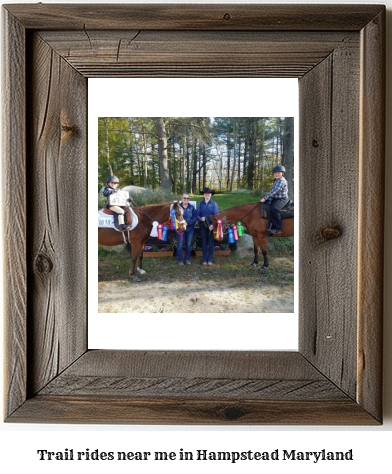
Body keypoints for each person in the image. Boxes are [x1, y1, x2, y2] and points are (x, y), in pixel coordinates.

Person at [260, 165, 289, 234]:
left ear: (282, 173)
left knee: (274, 209)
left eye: (279, 173)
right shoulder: (276, 180)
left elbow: (275, 191)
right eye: (275, 173)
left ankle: (278, 228)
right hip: (276, 198)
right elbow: (272, 191)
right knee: (268, 208)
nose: (277, 174)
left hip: (282, 199)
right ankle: (270, 226)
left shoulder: (282, 181)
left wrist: (265, 198)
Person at [197, 187, 219, 265]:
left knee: (211, 242)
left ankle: (210, 259)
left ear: (211, 195)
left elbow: (216, 216)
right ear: (204, 195)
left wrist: (213, 225)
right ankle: (204, 259)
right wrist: (200, 218)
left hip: (211, 227)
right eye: (206, 193)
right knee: (204, 242)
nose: (207, 195)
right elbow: (197, 215)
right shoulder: (200, 204)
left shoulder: (214, 204)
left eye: (209, 194)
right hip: (202, 226)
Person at [176, 194, 198, 265]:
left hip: (190, 229)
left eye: (187, 198)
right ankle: (180, 260)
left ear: (189, 199)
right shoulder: (177, 207)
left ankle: (187, 259)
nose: (186, 199)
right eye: (184, 198)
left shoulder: (192, 207)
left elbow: (195, 217)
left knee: (188, 245)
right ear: (182, 199)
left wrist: (187, 223)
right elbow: (174, 217)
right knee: (180, 244)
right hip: (180, 229)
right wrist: (180, 224)